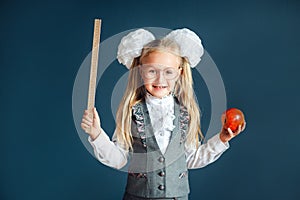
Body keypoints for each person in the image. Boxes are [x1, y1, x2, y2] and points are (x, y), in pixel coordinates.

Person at [81, 28, 246, 200]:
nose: (160, 80)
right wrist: (96, 134)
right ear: (140, 71)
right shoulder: (131, 112)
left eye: (168, 72)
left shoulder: (185, 114)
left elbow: (191, 159)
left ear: (180, 72)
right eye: (152, 71)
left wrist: (221, 140)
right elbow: (119, 159)